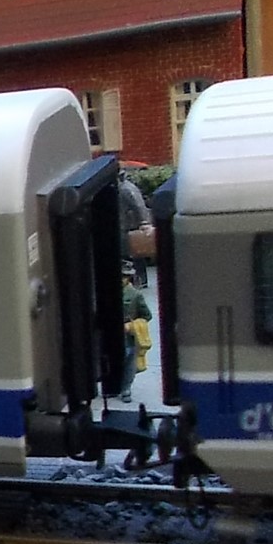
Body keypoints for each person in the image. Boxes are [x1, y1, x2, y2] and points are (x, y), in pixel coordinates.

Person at [119, 261, 152, 403]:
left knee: (129, 362)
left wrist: (132, 326)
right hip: (110, 335)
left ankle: (126, 388)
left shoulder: (135, 295)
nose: (122, 279)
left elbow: (147, 316)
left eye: (124, 276)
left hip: (127, 335)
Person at [118, 172, 152, 288]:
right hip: (130, 224)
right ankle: (141, 279)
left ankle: (139, 279)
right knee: (135, 253)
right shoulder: (129, 187)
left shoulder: (124, 189)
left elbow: (138, 207)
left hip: (128, 225)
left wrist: (144, 222)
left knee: (132, 253)